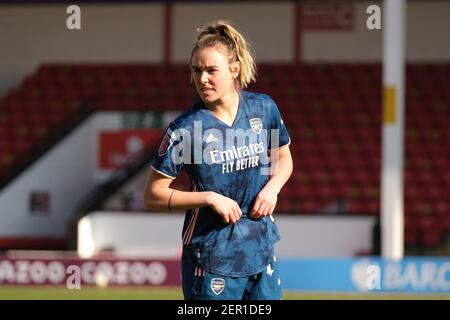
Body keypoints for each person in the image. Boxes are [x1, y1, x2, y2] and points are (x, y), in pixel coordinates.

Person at [144, 20, 293, 300]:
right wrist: (209, 197)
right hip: (211, 258)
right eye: (196, 71)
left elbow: (284, 159)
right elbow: (152, 195)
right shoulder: (185, 130)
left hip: (261, 249)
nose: (202, 79)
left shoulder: (264, 108)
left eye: (211, 70)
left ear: (234, 69)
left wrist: (273, 188)